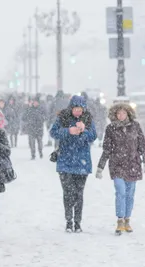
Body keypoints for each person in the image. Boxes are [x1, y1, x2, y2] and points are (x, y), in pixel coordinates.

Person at [96, 103, 145, 235]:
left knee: (130, 194)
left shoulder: (135, 126)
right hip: (117, 165)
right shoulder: (111, 128)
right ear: (114, 115)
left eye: (123, 113)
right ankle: (120, 220)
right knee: (121, 192)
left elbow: (142, 144)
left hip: (133, 164)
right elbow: (107, 149)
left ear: (128, 114)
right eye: (118, 113)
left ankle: (127, 220)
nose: (121, 116)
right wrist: (100, 167)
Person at [50, 95, 97, 233]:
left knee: (78, 193)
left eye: (80, 109)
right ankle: (68, 221)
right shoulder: (63, 118)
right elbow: (53, 132)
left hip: (82, 162)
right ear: (71, 108)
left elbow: (94, 136)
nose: (78, 112)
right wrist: (68, 131)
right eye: (75, 109)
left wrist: (84, 131)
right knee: (68, 192)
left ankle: (78, 222)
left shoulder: (88, 119)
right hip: (65, 161)